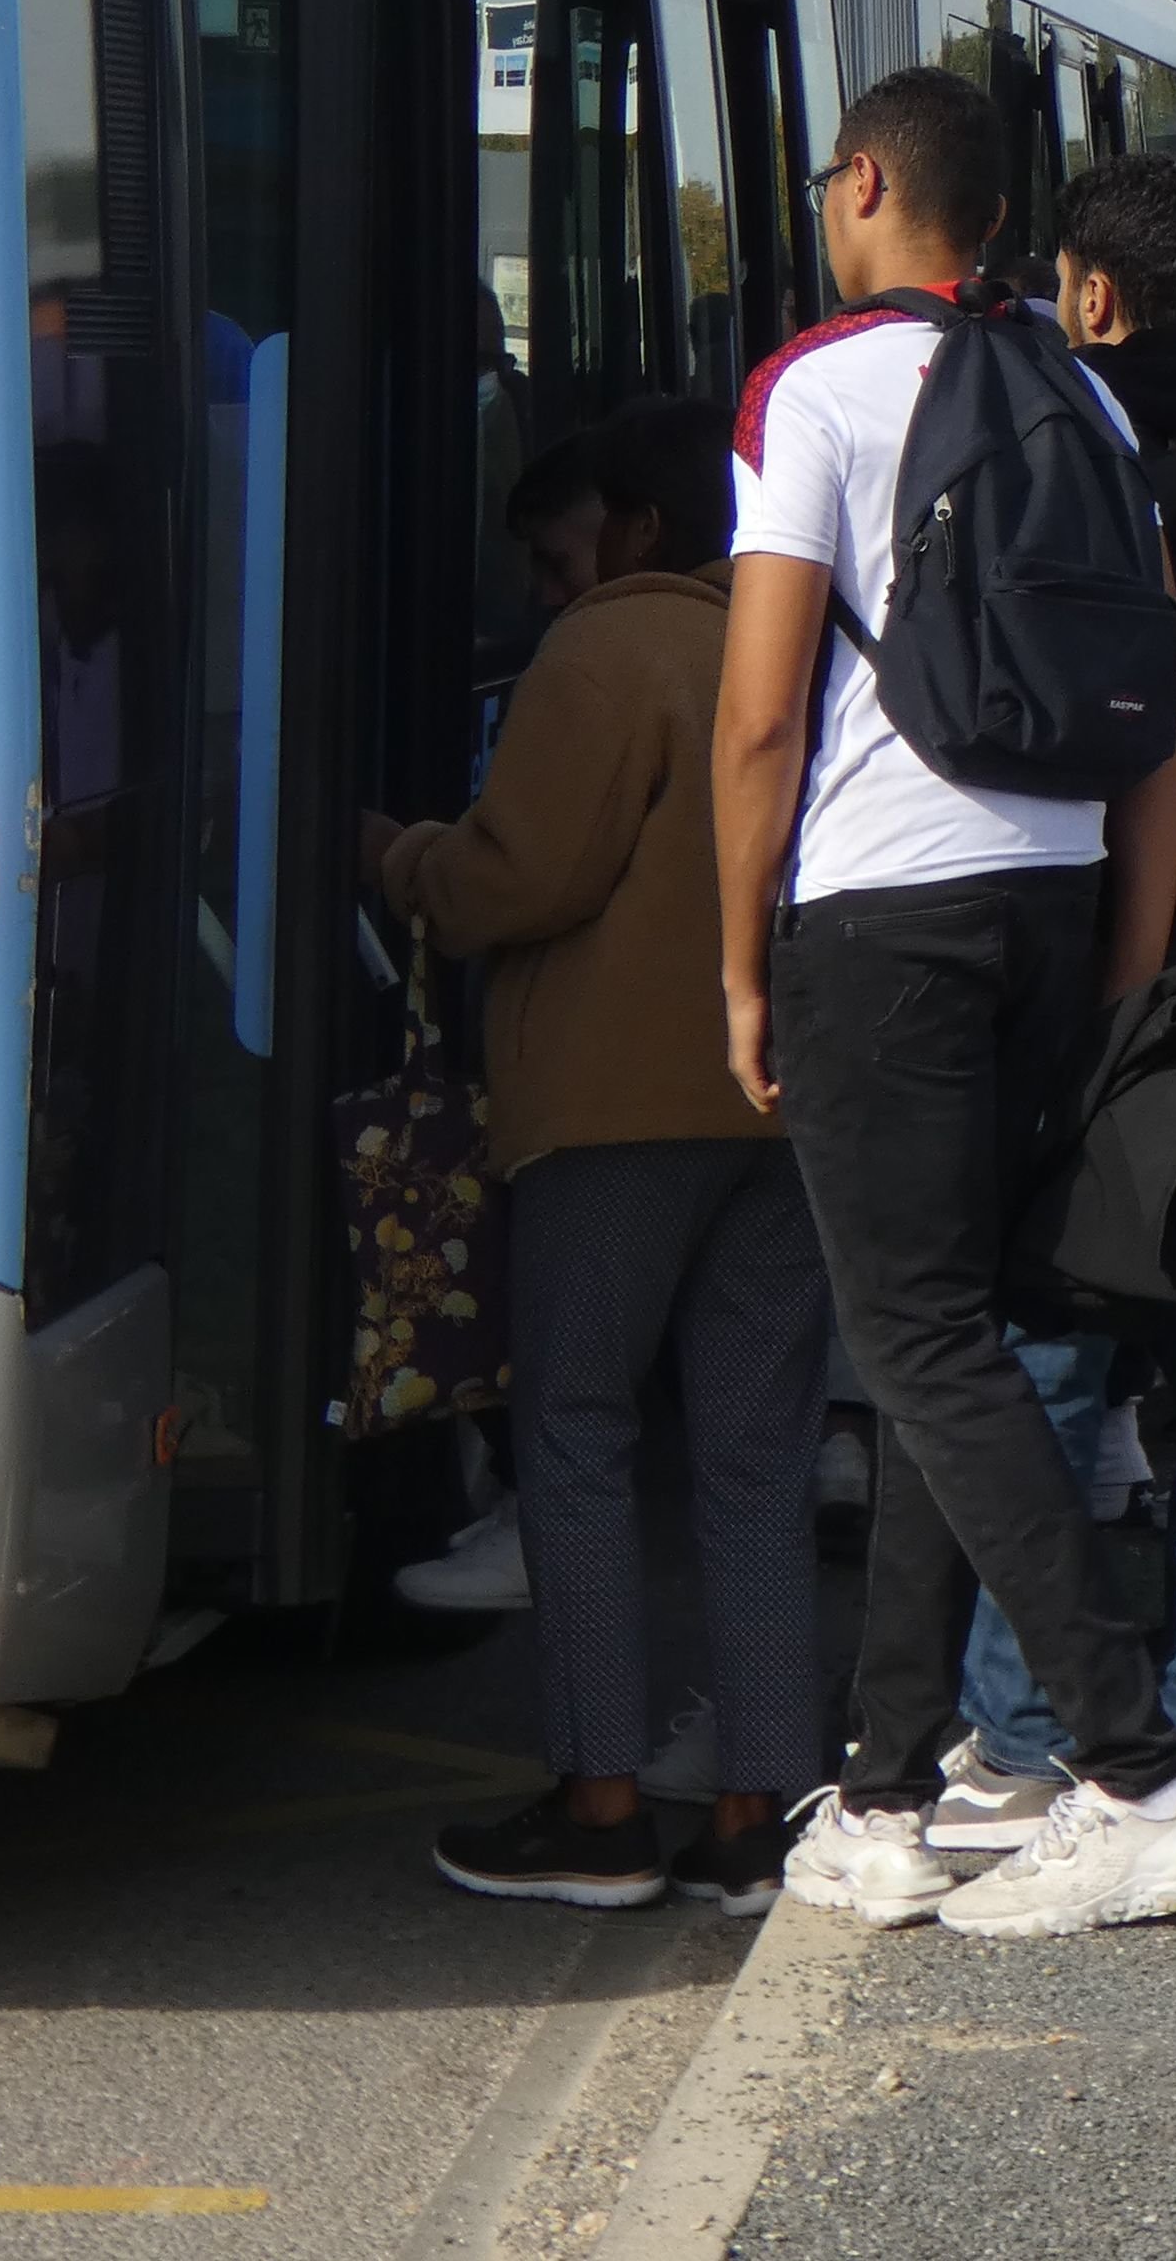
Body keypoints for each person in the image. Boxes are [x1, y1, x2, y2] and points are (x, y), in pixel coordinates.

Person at [717, 68, 1176, 1937]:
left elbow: (765, 707)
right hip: (1056, 898)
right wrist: (1124, 952)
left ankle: (1136, 1766)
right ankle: (883, 1792)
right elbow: (1164, 708)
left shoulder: (813, 389)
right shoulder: (1085, 391)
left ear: (861, 181)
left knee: (924, 1338)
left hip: (883, 911)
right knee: (956, 1340)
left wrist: (736, 956)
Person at [934, 155, 1176, 1836]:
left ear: (1092, 295)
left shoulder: (1067, 459)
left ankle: (1024, 1730)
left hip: (1116, 949)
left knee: (1057, 1334)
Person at [390, 396, 828, 1916]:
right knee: (755, 1459)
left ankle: (598, 1805)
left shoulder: (614, 645)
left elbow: (521, 875)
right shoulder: (806, 634)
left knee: (577, 1440)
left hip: (609, 1113)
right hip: (778, 1105)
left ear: (635, 532)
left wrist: (397, 856)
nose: (540, 587)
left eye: (553, 552)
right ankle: (759, 1810)